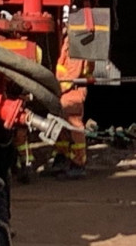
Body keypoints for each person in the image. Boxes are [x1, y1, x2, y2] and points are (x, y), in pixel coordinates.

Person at [43, 26, 94, 180]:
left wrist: (58, 89)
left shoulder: (77, 41)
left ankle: (78, 163)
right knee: (63, 126)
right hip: (65, 92)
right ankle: (62, 159)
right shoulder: (70, 40)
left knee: (74, 126)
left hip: (72, 91)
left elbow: (72, 74)